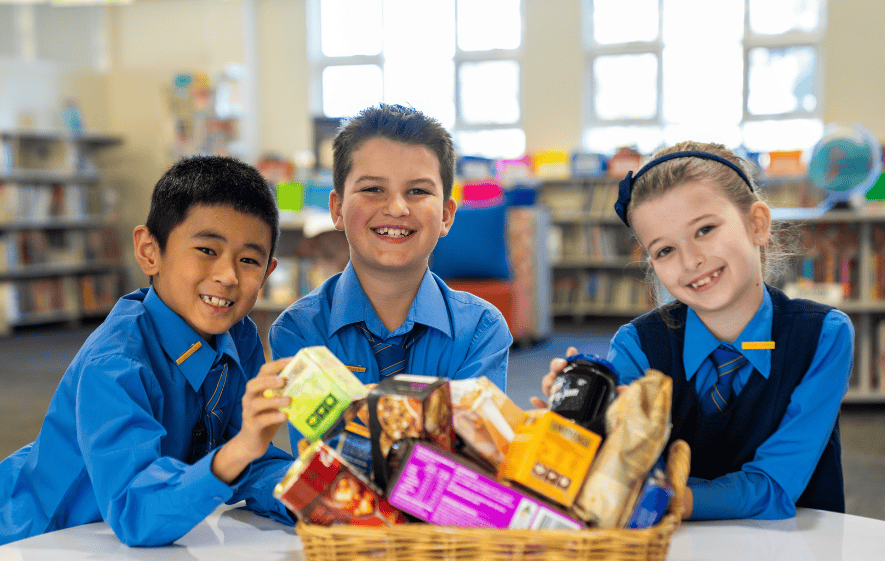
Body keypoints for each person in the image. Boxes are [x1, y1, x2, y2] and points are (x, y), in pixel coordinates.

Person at [0, 156, 297, 553]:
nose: (229, 276)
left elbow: (241, 454)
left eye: (249, 260)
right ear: (149, 252)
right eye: (207, 250)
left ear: (267, 273)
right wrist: (244, 448)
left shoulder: (239, 335)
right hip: (27, 548)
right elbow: (135, 508)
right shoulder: (115, 364)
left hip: (118, 543)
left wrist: (312, 495)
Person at [534, 141, 853, 521]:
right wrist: (582, 428)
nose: (691, 261)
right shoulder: (638, 346)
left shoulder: (823, 336)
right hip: (671, 560)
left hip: (798, 552)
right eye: (665, 250)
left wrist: (671, 499)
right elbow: (620, 475)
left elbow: (776, 484)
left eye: (704, 229)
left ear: (757, 224)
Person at [269, 104, 513, 455]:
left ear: (446, 215)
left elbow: (473, 468)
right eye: (373, 189)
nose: (397, 208)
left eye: (417, 192)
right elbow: (325, 468)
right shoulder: (300, 332)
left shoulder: (481, 331)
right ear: (337, 209)